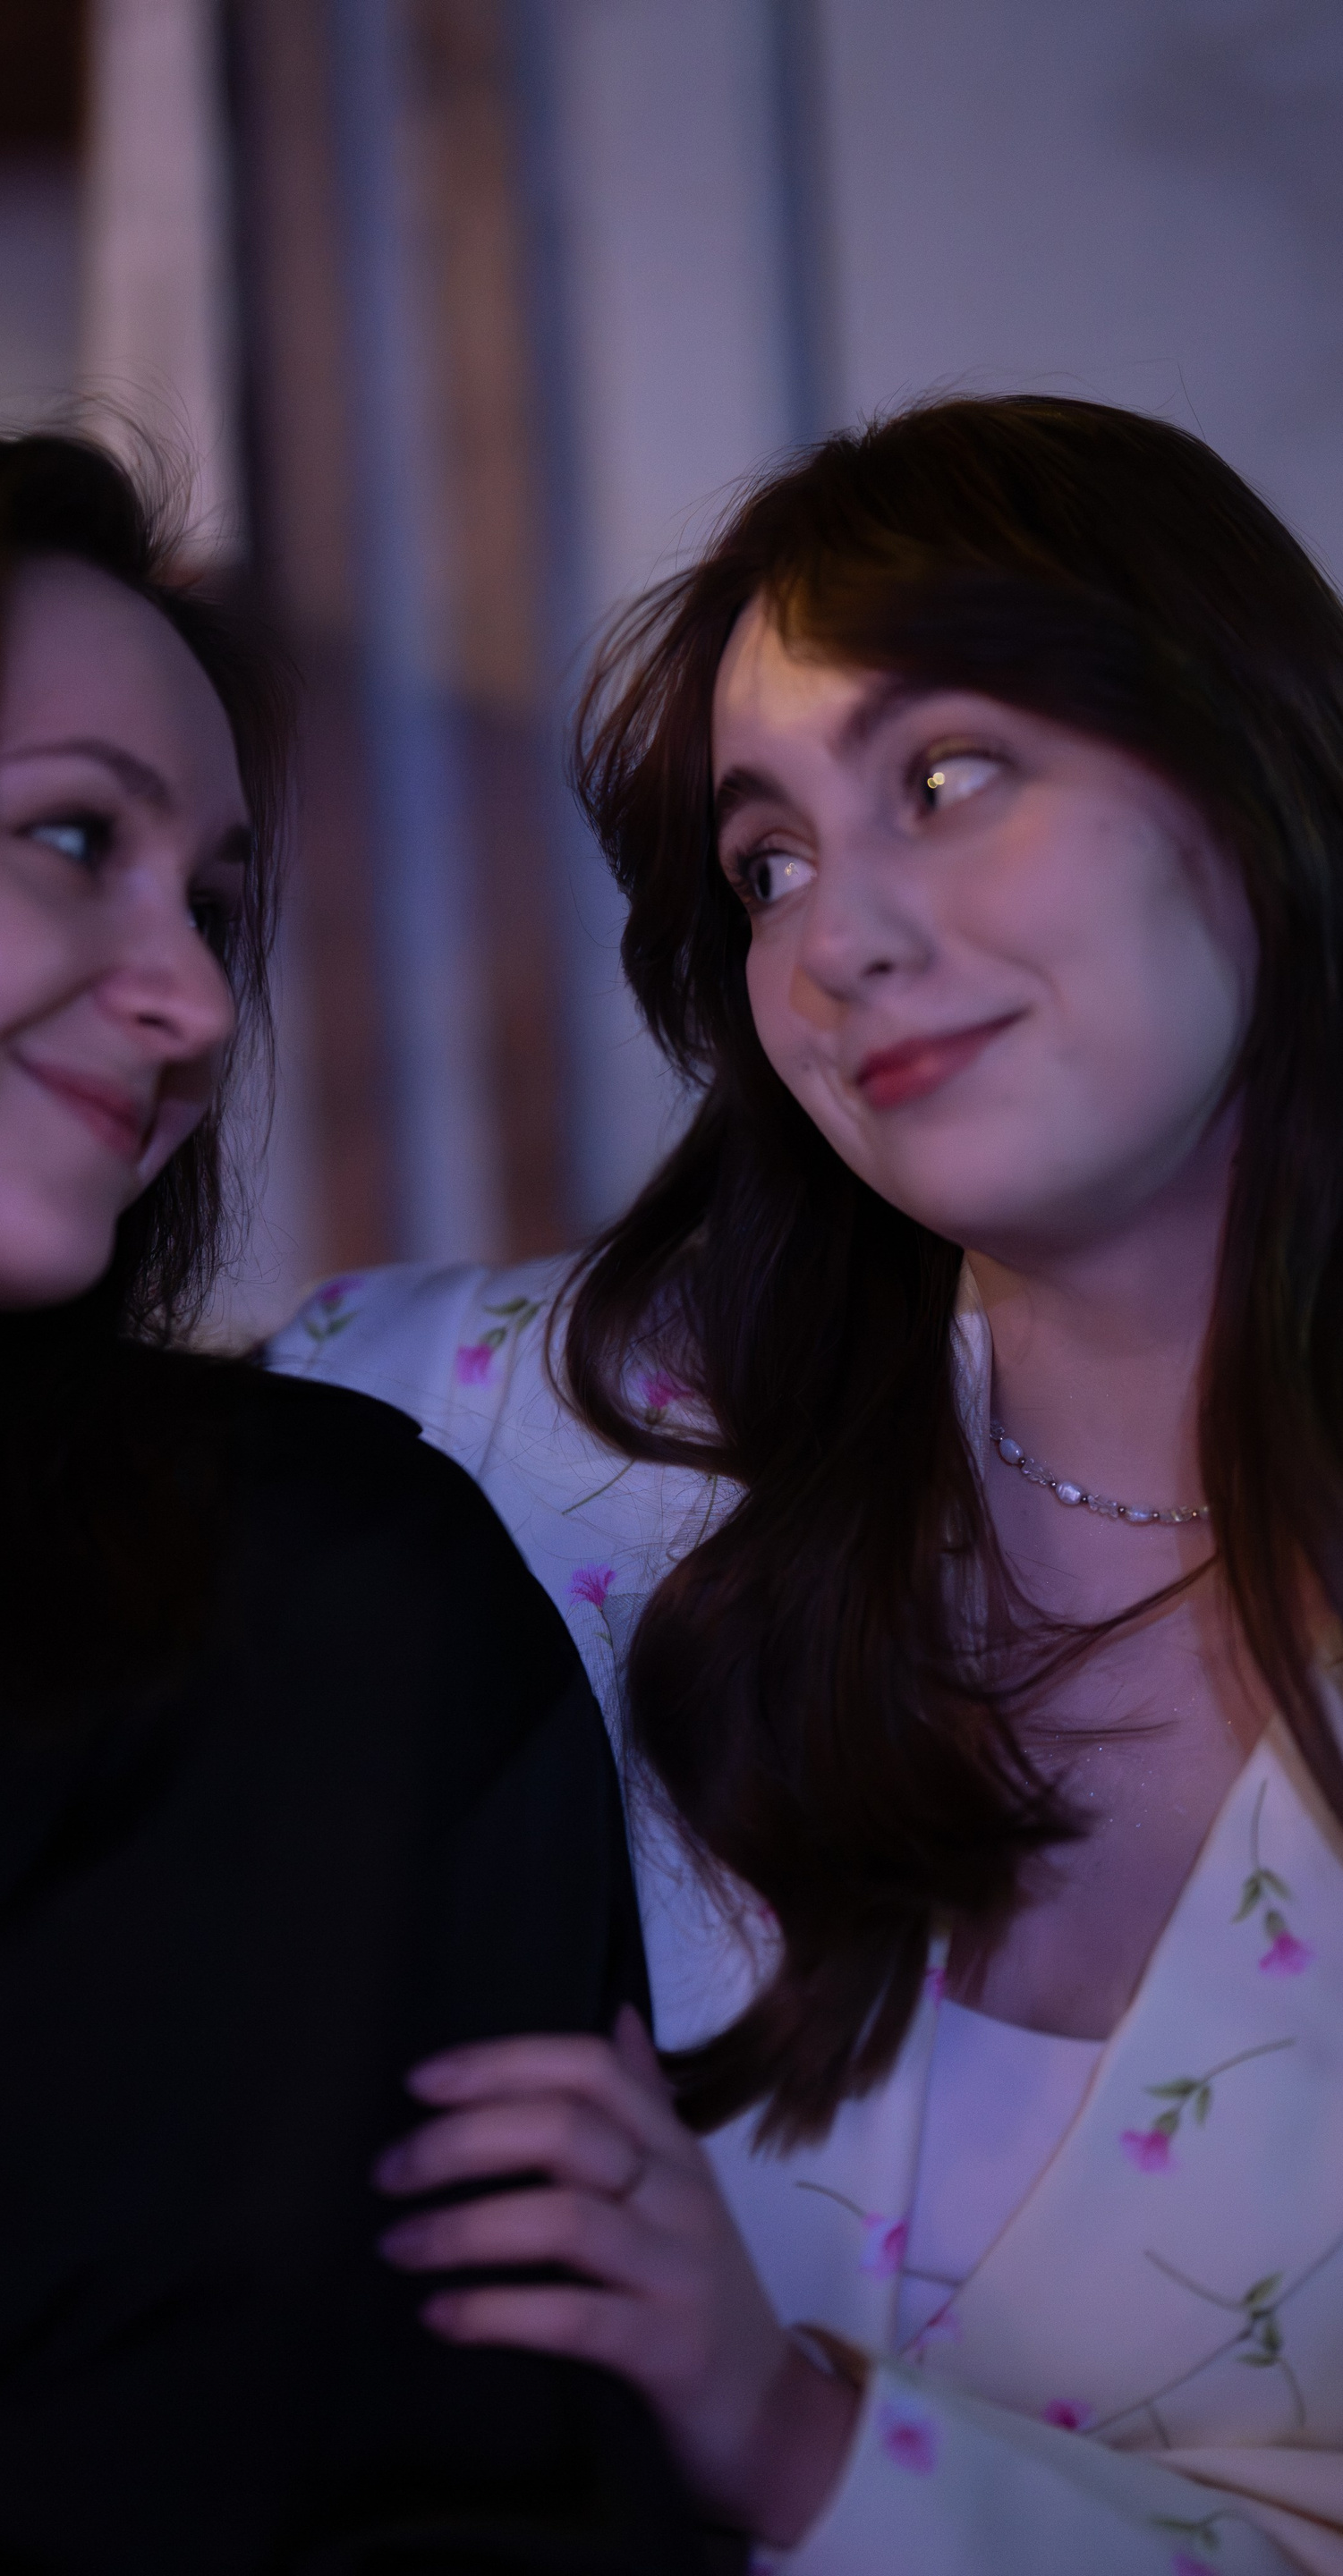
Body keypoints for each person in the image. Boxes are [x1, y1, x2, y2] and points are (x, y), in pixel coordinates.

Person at [269, 394, 1343, 2572]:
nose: (838, 939)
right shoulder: (518, 1444)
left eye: (945, 779)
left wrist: (794, 2440)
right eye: (768, 864)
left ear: (1249, 765)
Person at [0, 428, 709, 2573]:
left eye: (214, 904)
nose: (198, 1004)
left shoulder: (327, 1611)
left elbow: (491, 2501)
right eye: (71, 839)